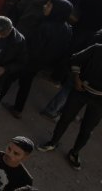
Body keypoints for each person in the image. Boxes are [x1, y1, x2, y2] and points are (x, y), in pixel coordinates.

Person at [37, 40, 102, 170]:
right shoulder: (97, 49)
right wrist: (76, 79)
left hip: (99, 100)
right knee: (65, 118)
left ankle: (74, 153)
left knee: (87, 129)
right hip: (81, 91)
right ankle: (53, 142)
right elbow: (75, 59)